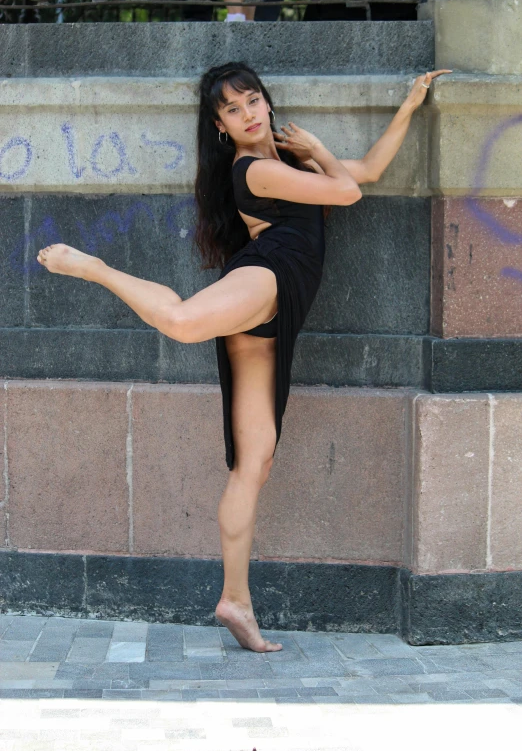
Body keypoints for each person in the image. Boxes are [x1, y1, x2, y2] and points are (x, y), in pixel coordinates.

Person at [36, 63, 451, 652]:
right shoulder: (254, 169)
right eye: (234, 110)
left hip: (281, 312)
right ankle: (94, 267)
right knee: (180, 321)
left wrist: (410, 105)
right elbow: (348, 190)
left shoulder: (287, 160)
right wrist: (321, 151)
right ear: (221, 126)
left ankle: (235, 598)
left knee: (253, 464)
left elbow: (370, 171)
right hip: (269, 275)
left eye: (253, 100)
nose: (250, 113)